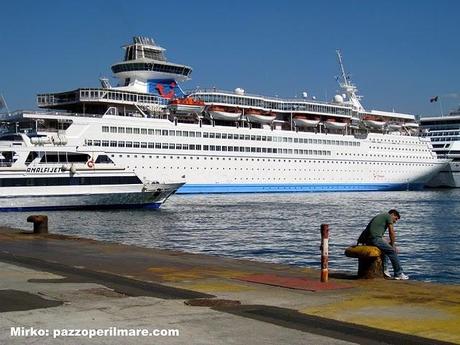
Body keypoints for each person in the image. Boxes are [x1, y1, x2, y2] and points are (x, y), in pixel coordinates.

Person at [357, 209, 409, 280]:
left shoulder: (380, 216)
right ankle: (398, 273)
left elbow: (370, 231)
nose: (395, 221)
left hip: (369, 239)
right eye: (396, 219)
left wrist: (389, 243)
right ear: (392, 214)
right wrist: (393, 245)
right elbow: (391, 232)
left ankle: (385, 270)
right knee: (392, 251)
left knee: (386, 247)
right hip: (374, 239)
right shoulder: (388, 216)